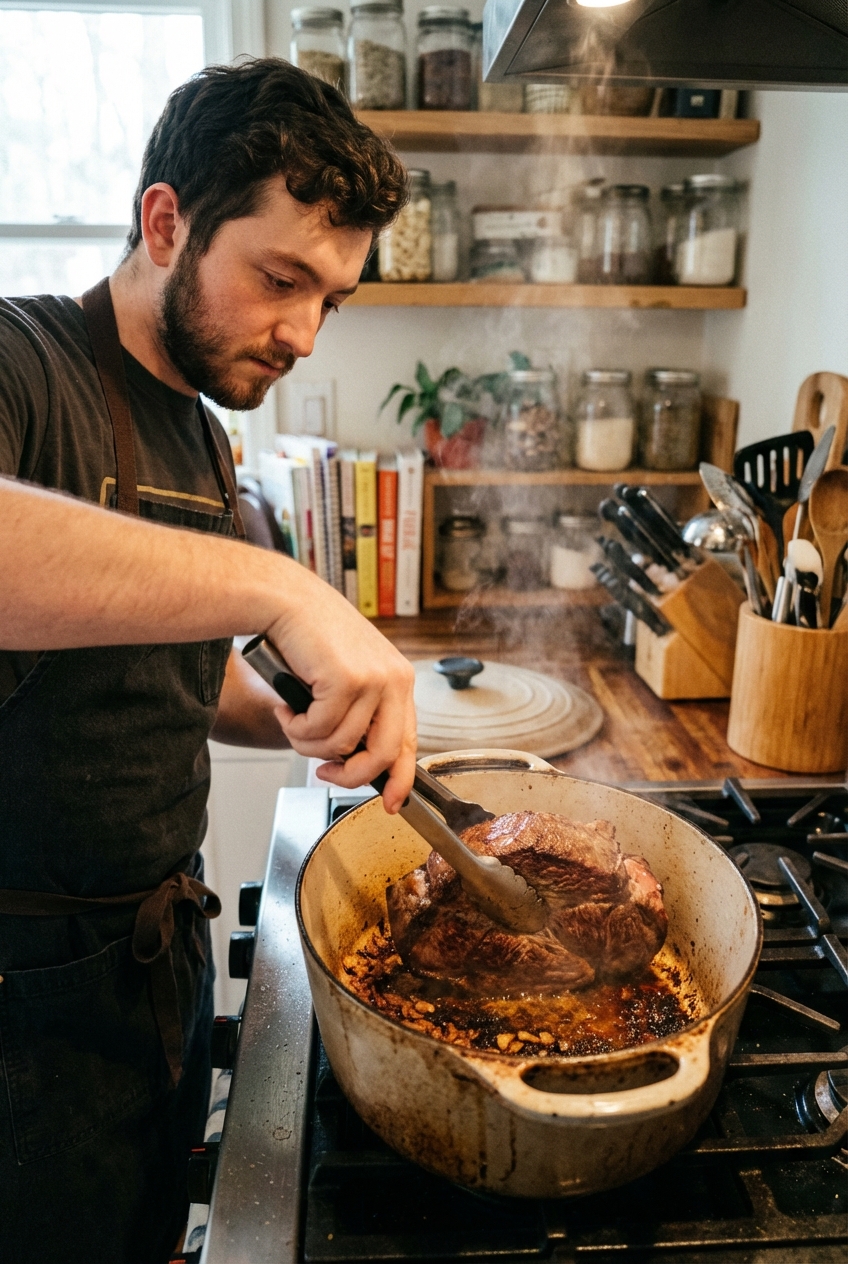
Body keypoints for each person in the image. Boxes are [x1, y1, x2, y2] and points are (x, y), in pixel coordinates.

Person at [0, 58, 416, 1262]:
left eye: (330, 299)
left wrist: (278, 716)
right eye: (280, 279)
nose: (301, 331)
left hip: (153, 970)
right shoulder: (26, 362)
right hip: (23, 1007)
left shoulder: (202, 435)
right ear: (166, 221)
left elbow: (159, 674)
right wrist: (283, 585)